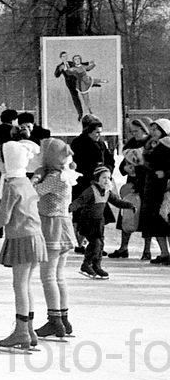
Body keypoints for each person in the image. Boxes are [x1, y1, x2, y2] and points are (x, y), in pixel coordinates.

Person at [0, 141, 48, 353]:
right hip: (34, 237)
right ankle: (29, 329)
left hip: (21, 238)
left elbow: (4, 217)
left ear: (9, 162)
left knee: (19, 285)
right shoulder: (26, 182)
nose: (0, 164)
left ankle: (22, 330)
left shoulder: (12, 186)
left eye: (2, 160)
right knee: (27, 284)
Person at [31, 138, 80, 339]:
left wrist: (35, 177)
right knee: (59, 276)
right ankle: (64, 318)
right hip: (64, 225)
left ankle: (54, 320)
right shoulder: (65, 175)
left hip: (52, 226)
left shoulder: (54, 177)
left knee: (48, 276)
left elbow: (33, 193)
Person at [70, 166, 135, 279]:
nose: (107, 180)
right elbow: (80, 200)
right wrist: (70, 208)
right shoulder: (91, 190)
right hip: (88, 221)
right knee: (96, 244)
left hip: (99, 222)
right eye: (104, 177)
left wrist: (129, 205)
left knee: (100, 244)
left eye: (109, 178)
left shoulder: (107, 192)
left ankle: (96, 266)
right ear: (97, 179)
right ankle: (86, 264)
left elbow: (117, 202)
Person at [69, 114, 114, 251]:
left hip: (100, 182)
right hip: (84, 182)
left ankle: (96, 244)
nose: (99, 135)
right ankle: (81, 242)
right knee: (82, 213)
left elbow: (109, 159)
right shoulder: (78, 143)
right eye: (96, 133)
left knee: (98, 214)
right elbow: (77, 163)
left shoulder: (100, 143)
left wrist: (107, 171)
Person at [112, 117, 149, 258]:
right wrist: (126, 168)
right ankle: (123, 247)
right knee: (127, 213)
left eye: (136, 131)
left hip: (145, 183)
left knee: (145, 217)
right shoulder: (132, 143)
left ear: (143, 129)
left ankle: (146, 249)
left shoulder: (149, 144)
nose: (134, 134)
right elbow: (122, 166)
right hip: (132, 183)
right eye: (132, 131)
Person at [137, 119, 170, 264]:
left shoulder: (166, 144)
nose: (153, 133)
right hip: (152, 187)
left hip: (165, 188)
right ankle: (164, 252)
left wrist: (166, 173)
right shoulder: (153, 144)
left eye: (156, 130)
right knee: (156, 222)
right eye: (152, 130)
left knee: (166, 220)